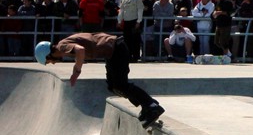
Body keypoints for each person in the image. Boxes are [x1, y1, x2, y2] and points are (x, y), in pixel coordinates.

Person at [35, 33, 164, 127]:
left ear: (48, 54)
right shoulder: (64, 45)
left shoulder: (61, 47)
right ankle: (146, 105)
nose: (52, 63)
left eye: (49, 61)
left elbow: (80, 50)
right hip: (112, 51)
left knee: (120, 85)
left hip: (116, 49)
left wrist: (76, 71)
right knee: (113, 86)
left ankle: (152, 106)